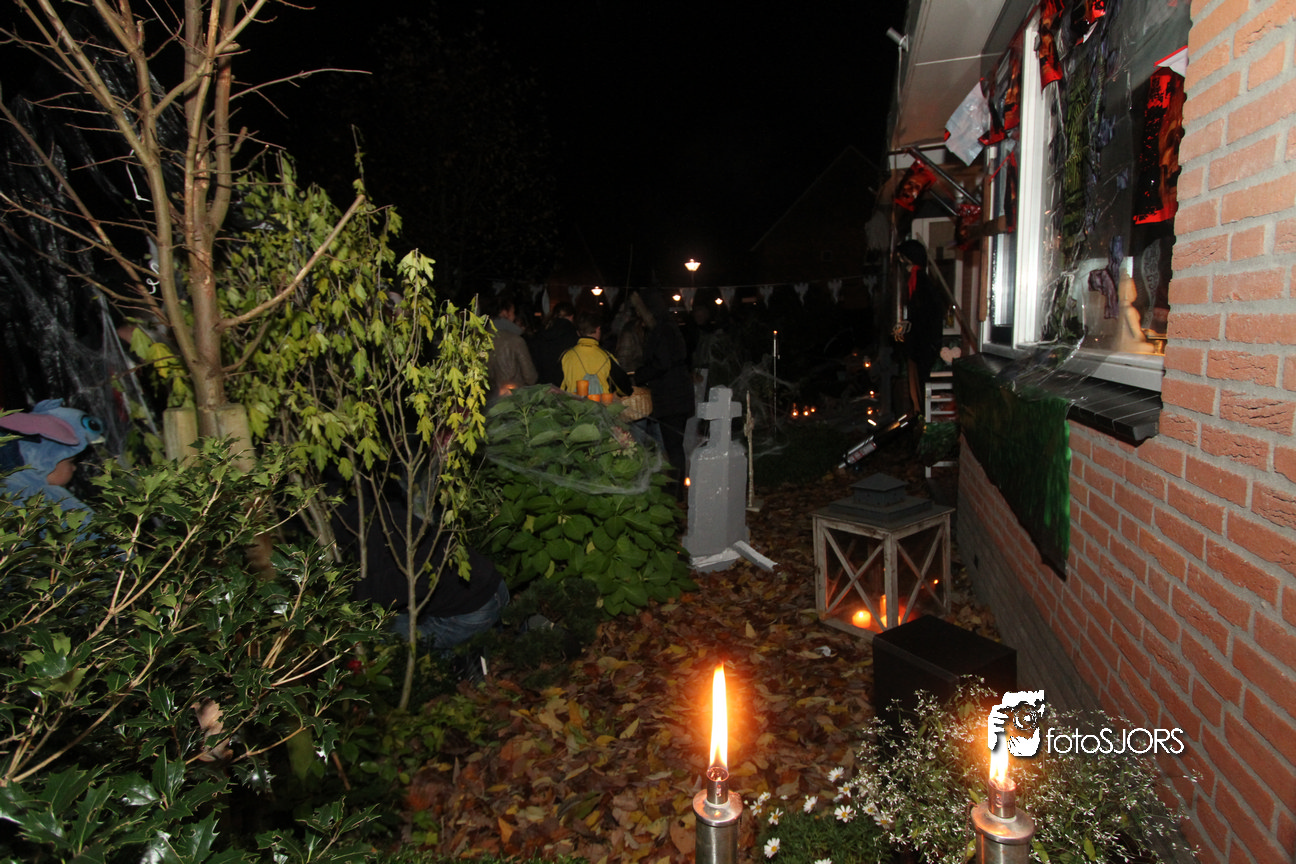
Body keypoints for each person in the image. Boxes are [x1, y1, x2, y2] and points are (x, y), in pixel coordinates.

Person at [335, 489, 508, 654]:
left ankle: (452, 660)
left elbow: (416, 580)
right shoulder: (385, 513)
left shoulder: (377, 536)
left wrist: (356, 591)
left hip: (473, 608)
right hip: (489, 586)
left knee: (382, 633)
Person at [0, 398, 104, 525]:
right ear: (45, 460)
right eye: (70, 461)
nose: (74, 468)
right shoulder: (48, 499)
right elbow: (91, 530)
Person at [631, 289, 693, 495]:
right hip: (675, 395)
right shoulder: (666, 327)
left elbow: (662, 362)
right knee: (673, 445)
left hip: (671, 397)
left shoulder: (663, 330)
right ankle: (675, 490)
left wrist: (640, 375)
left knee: (673, 446)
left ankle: (674, 492)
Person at [895, 239, 949, 415]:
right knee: (915, 381)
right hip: (918, 343)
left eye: (903, 259)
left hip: (923, 344)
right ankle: (918, 412)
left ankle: (921, 415)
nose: (902, 263)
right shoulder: (916, 281)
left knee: (920, 381)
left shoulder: (921, 282)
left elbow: (927, 313)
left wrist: (912, 328)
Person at [560, 311, 632, 396]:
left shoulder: (567, 355)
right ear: (598, 329)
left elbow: (559, 387)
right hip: (599, 403)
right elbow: (625, 388)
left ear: (578, 333)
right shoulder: (607, 357)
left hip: (574, 403)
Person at [484, 291, 537, 397]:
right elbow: (530, 377)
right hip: (512, 398)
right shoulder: (516, 341)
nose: (514, 316)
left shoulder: (480, 338)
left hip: (487, 397)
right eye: (513, 312)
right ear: (505, 312)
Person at [529, 301, 578, 388]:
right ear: (571, 316)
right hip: (564, 385)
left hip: (543, 384)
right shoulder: (572, 335)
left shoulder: (542, 332)